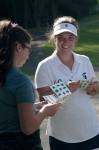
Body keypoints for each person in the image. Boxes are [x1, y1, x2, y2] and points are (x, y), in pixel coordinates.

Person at [35, 16, 99, 150]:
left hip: (91, 130)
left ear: (76, 39)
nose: (65, 42)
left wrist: (93, 88)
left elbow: (95, 89)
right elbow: (43, 101)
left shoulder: (84, 60)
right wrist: (64, 89)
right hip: (62, 135)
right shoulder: (44, 66)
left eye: (70, 37)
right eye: (61, 37)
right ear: (54, 38)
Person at [0, 19, 61, 150]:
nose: (29, 54)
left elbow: (10, 108)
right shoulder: (21, 81)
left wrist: (35, 106)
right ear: (18, 47)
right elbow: (28, 128)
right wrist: (45, 111)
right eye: (28, 48)